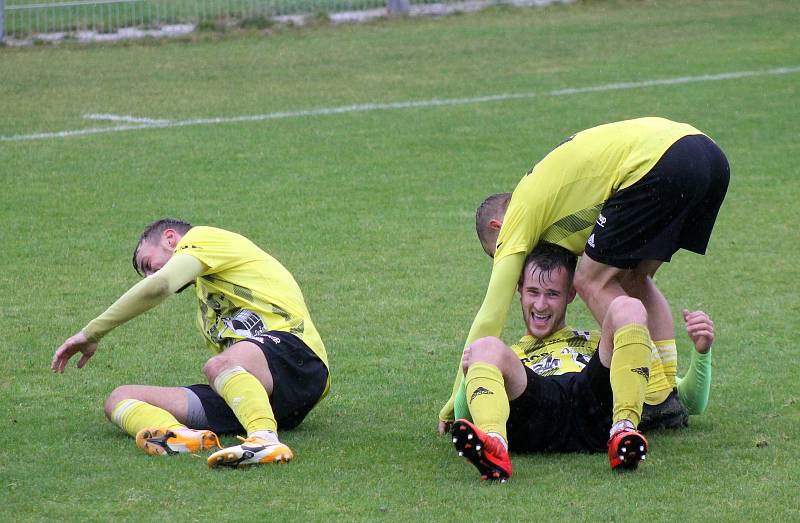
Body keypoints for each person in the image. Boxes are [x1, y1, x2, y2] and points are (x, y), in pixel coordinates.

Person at [439, 117, 728, 466]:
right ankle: (657, 395)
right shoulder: (559, 212)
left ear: (497, 227)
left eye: (498, 252)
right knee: (633, 281)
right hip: (707, 157)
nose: (511, 259)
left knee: (591, 280)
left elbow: (491, 313)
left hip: (659, 162)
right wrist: (461, 401)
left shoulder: (519, 217)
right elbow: (634, 281)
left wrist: (450, 402)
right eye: (531, 291)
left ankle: (654, 399)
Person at [51, 219, 330, 468]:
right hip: (264, 399)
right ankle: (184, 438)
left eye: (148, 264)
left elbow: (160, 285)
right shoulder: (205, 303)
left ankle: (264, 438)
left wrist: (91, 334)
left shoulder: (204, 238)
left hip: (299, 362)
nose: (150, 276)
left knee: (220, 363)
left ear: (170, 238)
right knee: (120, 397)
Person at [446, 244, 714, 481]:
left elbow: (685, 401)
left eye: (552, 293)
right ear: (519, 291)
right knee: (484, 346)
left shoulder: (603, 341)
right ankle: (495, 446)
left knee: (628, 308)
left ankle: (624, 431)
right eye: (533, 292)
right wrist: (469, 377)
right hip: (535, 413)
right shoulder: (510, 356)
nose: (540, 305)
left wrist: (702, 354)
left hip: (596, 408)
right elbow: (464, 415)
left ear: (570, 295)